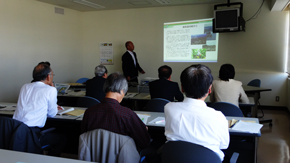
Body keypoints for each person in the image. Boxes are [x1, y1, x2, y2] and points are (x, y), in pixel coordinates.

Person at [164, 64, 229, 161]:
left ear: (182, 88)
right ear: (210, 89)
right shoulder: (218, 116)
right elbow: (224, 145)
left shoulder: (169, 108)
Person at [81, 72, 150, 150]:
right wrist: (144, 130)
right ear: (121, 90)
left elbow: (84, 138)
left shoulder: (89, 112)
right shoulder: (127, 114)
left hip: (93, 155)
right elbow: (145, 142)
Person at [13, 62, 66, 156]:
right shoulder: (50, 90)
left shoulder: (25, 86)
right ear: (48, 77)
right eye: (52, 74)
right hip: (32, 134)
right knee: (62, 138)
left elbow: (32, 103)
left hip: (16, 132)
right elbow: (52, 114)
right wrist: (53, 90)